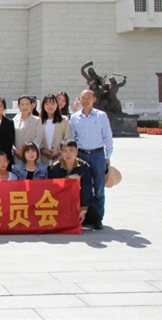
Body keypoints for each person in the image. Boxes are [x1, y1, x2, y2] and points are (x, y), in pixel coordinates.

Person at [70, 89, 113, 230]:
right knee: (83, 187)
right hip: (81, 155)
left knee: (99, 188)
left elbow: (107, 136)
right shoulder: (75, 118)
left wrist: (108, 156)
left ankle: (98, 218)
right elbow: (73, 138)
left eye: (88, 98)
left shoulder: (101, 116)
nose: (85, 100)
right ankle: (84, 217)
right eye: (83, 98)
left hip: (97, 155)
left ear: (94, 99)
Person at [49, 139, 95, 227]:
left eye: (71, 151)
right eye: (65, 151)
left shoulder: (84, 166)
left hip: (78, 199)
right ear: (61, 152)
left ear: (77, 152)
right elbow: (53, 188)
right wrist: (68, 179)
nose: (68, 154)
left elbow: (87, 188)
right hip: (62, 201)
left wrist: (83, 209)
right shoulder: (55, 167)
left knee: (95, 217)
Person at [40, 94, 72, 166]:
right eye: (47, 104)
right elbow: (37, 138)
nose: (50, 106)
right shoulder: (39, 121)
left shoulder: (64, 120)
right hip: (43, 159)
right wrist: (43, 150)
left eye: (52, 104)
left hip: (60, 158)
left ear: (57, 105)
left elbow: (68, 138)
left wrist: (59, 151)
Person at [12, 95, 43, 165]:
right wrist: (16, 151)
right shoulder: (14, 120)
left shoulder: (37, 120)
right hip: (18, 157)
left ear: (31, 105)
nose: (25, 107)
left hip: (32, 155)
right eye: (22, 104)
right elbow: (11, 139)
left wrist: (28, 151)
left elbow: (38, 138)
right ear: (19, 106)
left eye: (27, 104)